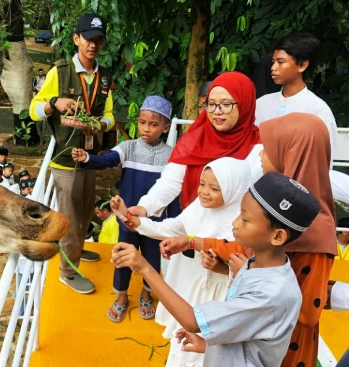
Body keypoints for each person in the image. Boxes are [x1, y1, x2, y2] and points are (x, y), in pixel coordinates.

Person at [161, 114, 337, 367]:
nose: (261, 155)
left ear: (292, 154)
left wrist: (245, 278)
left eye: (270, 149)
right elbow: (243, 248)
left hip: (281, 349)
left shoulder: (315, 232)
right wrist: (193, 243)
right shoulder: (270, 207)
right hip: (246, 339)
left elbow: (306, 311)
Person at [112, 171, 321, 367]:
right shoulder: (257, 264)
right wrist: (209, 346)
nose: (235, 223)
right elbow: (245, 330)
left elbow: (193, 321)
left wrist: (144, 268)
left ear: (277, 236)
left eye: (245, 220)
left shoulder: (271, 294)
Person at [115, 158, 251, 366]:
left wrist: (222, 268)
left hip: (220, 296)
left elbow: (247, 267)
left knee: (208, 351)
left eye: (214, 188)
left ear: (234, 189)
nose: (204, 192)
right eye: (202, 184)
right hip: (192, 286)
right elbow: (174, 227)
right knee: (183, 341)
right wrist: (135, 221)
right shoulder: (199, 207)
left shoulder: (242, 222)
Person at [29, 13, 115, 294]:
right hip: (65, 160)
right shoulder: (60, 71)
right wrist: (54, 102)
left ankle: (77, 252)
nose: (93, 45)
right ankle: (68, 271)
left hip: (89, 156)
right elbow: (34, 110)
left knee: (87, 210)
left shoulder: (105, 77)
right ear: (77, 39)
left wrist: (100, 124)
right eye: (89, 39)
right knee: (68, 217)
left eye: (98, 40)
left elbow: (110, 116)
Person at [73, 95, 179, 320]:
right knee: (122, 259)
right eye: (142, 122)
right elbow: (108, 160)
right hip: (127, 218)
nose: (146, 129)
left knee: (152, 260)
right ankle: (121, 296)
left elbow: (174, 192)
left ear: (165, 127)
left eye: (153, 124)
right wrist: (86, 158)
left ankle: (146, 293)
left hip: (155, 223)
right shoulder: (128, 148)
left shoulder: (172, 155)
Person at [126, 72, 262, 229]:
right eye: (211, 104)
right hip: (191, 233)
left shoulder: (259, 148)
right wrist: (145, 207)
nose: (217, 111)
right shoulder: (193, 140)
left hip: (236, 239)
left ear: (245, 103)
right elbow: (170, 181)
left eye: (226, 104)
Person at [255, 32, 338, 160]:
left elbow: (324, 158)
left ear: (302, 65)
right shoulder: (261, 104)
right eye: (273, 62)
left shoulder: (317, 109)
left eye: (280, 62)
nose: (273, 68)